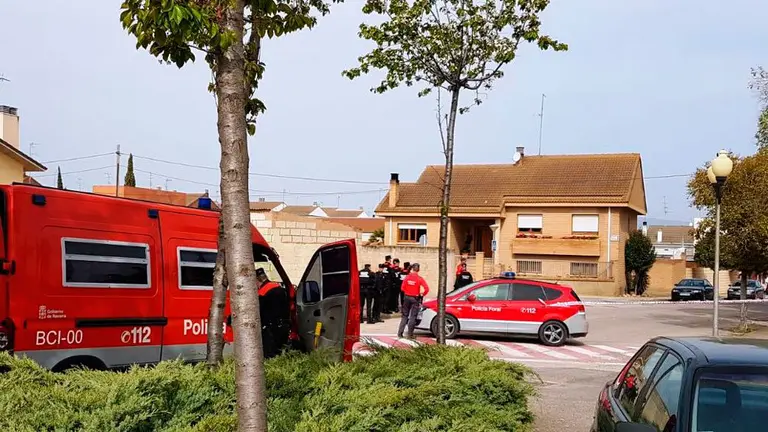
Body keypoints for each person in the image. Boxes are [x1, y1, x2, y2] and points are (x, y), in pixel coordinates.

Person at [256, 268, 290, 358]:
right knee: (280, 353)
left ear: (257, 280)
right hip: (284, 326)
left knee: (269, 354)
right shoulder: (278, 287)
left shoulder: (263, 292)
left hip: (271, 329)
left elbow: (258, 310)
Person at [398, 263, 429, 339]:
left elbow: (402, 288)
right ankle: (410, 334)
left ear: (412, 269)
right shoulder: (419, 278)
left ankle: (400, 333)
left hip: (406, 298)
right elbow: (427, 289)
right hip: (415, 298)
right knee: (413, 316)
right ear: (418, 270)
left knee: (404, 316)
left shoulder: (407, 277)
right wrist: (421, 294)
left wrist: (407, 291)